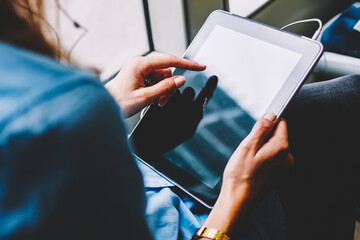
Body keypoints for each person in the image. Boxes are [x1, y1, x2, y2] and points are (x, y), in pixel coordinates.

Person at [0, 1, 358, 240]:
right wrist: (237, 194)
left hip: (153, 171)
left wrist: (109, 103)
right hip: (210, 220)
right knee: (345, 105)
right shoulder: (50, 109)